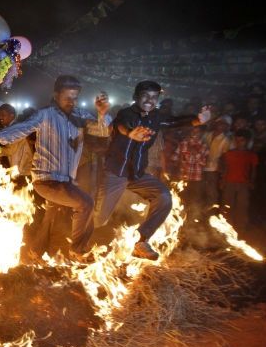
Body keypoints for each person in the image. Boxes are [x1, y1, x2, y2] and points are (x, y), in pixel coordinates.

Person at [0, 75, 112, 262]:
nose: (71, 102)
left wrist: (102, 113)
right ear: (56, 95)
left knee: (53, 216)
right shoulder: (45, 114)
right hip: (46, 180)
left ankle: (36, 252)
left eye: (74, 97)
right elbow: (21, 128)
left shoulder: (80, 116)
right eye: (67, 97)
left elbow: (103, 130)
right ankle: (78, 250)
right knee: (86, 203)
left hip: (66, 181)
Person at [93, 80, 211, 260]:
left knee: (164, 197)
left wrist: (197, 120)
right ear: (136, 97)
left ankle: (141, 241)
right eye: (146, 96)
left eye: (154, 97)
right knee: (99, 218)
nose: (150, 100)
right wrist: (130, 133)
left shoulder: (156, 116)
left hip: (137, 174)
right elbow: (121, 125)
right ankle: (77, 241)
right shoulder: (126, 113)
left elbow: (174, 121)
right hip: (116, 172)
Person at [220, 129, 258, 230]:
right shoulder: (229, 154)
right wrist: (223, 181)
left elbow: (253, 169)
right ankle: (226, 225)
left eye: (242, 141)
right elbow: (226, 168)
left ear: (247, 141)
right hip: (229, 182)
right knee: (228, 204)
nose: (239, 143)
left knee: (242, 205)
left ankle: (240, 226)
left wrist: (252, 181)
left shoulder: (251, 155)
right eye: (237, 140)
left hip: (244, 183)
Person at [171, 126, 209, 222]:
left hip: (196, 178)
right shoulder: (183, 143)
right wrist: (177, 162)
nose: (195, 134)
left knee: (195, 200)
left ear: (201, 133)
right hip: (183, 177)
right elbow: (174, 158)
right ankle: (182, 221)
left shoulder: (204, 146)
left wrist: (195, 152)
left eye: (197, 131)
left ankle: (193, 220)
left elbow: (204, 163)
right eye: (193, 131)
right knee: (182, 200)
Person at [202, 116, 232, 209]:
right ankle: (199, 213)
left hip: (213, 169)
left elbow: (225, 157)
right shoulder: (206, 135)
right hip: (200, 167)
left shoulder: (225, 140)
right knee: (202, 190)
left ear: (226, 127)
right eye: (219, 123)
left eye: (223, 124)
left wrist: (222, 172)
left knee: (212, 192)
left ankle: (210, 213)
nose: (220, 125)